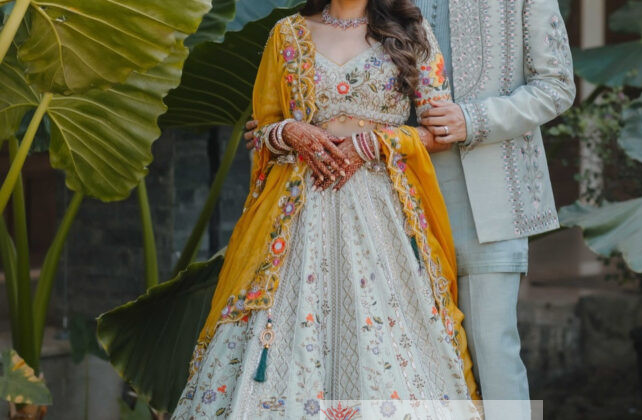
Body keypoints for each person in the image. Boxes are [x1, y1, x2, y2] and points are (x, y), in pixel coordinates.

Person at [244, 1, 576, 419]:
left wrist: (472, 119)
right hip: (385, 204)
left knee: (493, 348)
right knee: (375, 346)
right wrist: (282, 127)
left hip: (486, 199)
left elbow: (557, 85)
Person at [173, 0, 483, 418]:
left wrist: (374, 143)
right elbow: (262, 130)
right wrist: (290, 132)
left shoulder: (410, 32)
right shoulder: (288, 33)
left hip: (381, 214)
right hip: (298, 211)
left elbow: (440, 131)